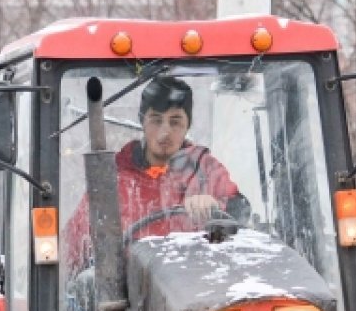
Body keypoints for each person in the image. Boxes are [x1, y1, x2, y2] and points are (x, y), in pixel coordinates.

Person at [62, 76, 250, 270]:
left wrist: (214, 207)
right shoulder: (113, 179)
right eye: (156, 120)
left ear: (187, 125)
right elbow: (73, 248)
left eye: (175, 122)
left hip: (196, 284)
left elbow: (240, 211)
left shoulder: (204, 170)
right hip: (127, 292)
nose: (165, 132)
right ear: (142, 121)